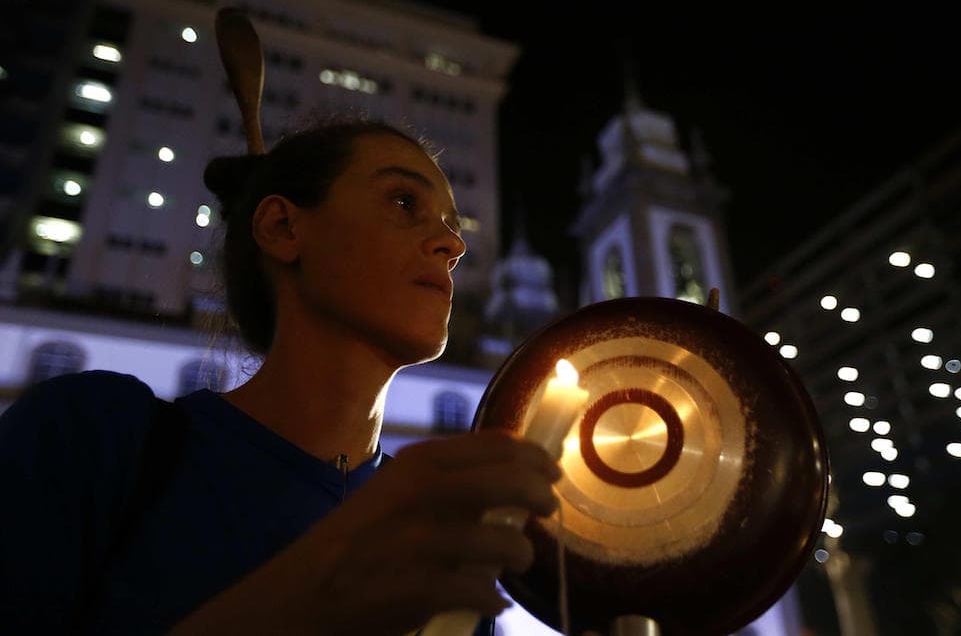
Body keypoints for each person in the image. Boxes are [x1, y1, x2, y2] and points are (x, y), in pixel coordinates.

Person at [0, 119, 563, 635]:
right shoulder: (96, 437)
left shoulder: (442, 545)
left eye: (452, 226)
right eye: (403, 201)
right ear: (281, 227)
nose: (454, 245)